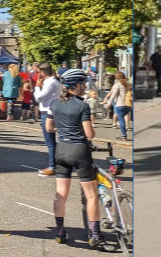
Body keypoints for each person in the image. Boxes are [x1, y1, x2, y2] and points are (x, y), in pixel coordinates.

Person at [45, 69, 115, 251]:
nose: (85, 86)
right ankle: (96, 235)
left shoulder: (55, 103)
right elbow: (90, 133)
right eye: (83, 83)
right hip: (79, 150)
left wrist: (63, 128)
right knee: (91, 195)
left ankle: (60, 232)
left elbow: (49, 127)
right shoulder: (82, 106)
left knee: (61, 194)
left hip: (61, 150)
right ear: (75, 85)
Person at [34, 63, 62, 177]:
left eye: (39, 72)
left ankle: (52, 166)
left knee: (50, 142)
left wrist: (37, 86)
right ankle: (54, 165)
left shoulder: (50, 83)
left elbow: (39, 98)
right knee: (52, 142)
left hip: (48, 112)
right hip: (51, 111)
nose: (38, 75)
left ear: (43, 72)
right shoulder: (54, 81)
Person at [103, 71, 131, 140]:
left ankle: (123, 135)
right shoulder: (129, 84)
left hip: (120, 104)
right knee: (125, 118)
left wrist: (108, 104)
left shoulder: (117, 85)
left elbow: (113, 96)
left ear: (116, 77)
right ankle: (124, 134)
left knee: (121, 120)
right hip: (128, 104)